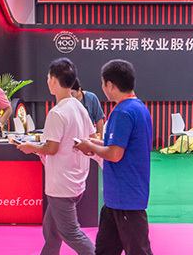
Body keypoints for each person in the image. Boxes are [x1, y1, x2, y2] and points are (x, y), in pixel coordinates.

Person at [16, 58, 96, 255]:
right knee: (51, 231)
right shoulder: (79, 107)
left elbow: (51, 148)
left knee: (70, 233)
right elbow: (92, 137)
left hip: (62, 184)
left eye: (48, 77)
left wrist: (31, 147)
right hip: (75, 179)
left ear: (53, 80)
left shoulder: (57, 112)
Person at [74, 59, 153, 255]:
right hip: (118, 198)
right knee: (104, 249)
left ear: (110, 84)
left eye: (103, 83)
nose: (103, 88)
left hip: (125, 198)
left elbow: (115, 154)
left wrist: (90, 147)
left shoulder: (122, 111)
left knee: (138, 251)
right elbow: (118, 145)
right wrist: (94, 143)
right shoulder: (138, 107)